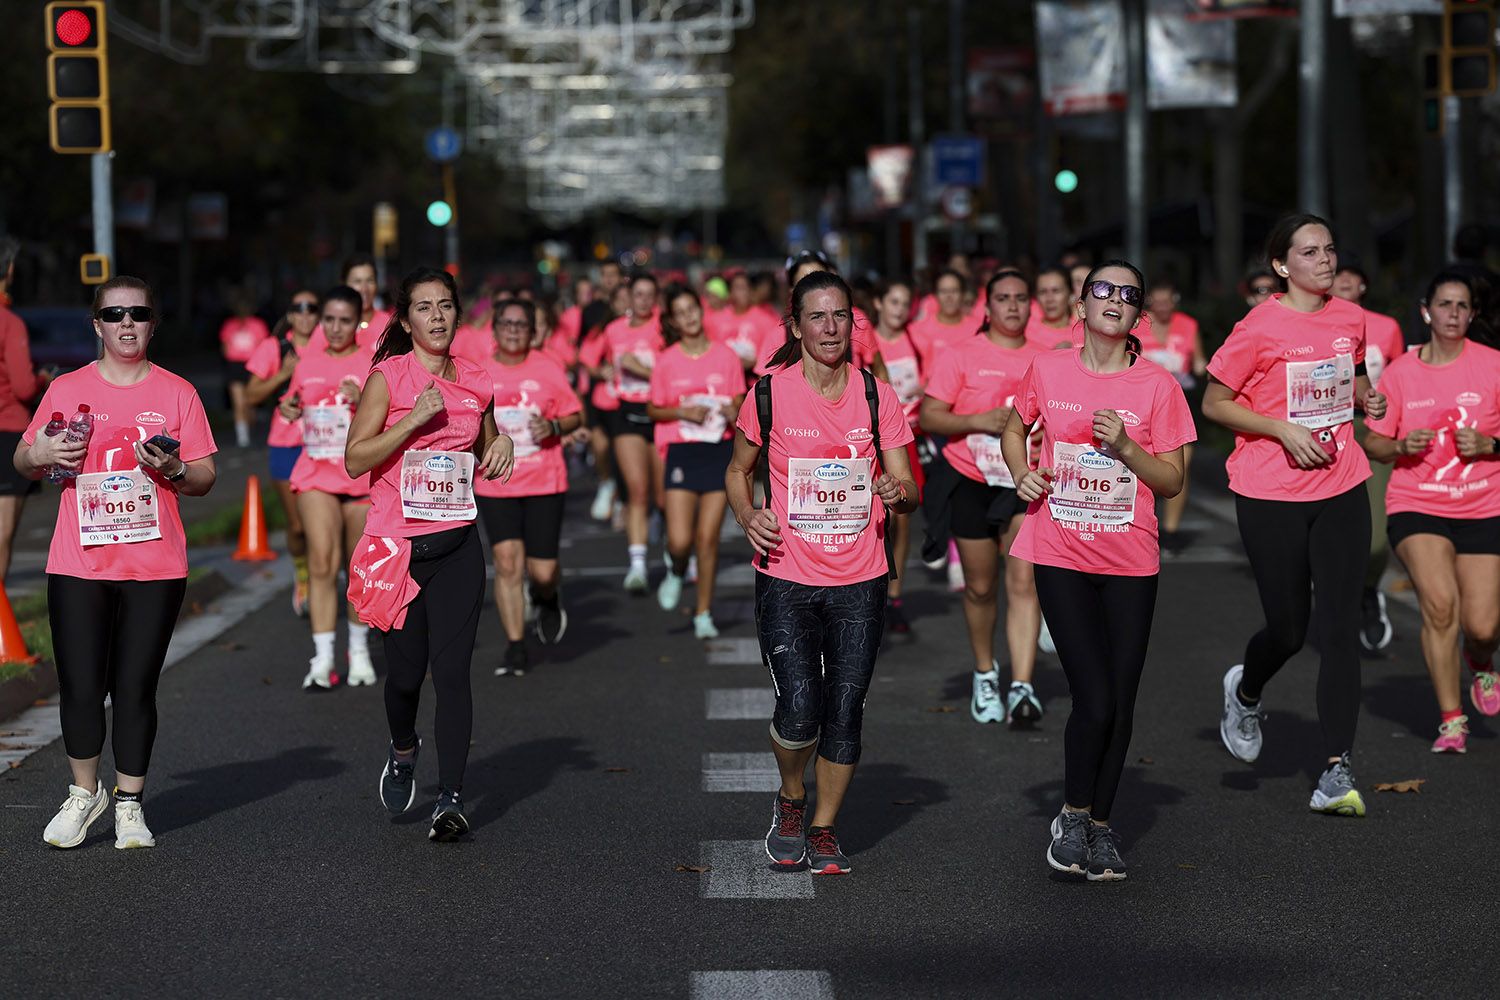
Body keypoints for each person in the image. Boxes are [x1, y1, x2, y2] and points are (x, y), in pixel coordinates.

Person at [1001, 260, 1195, 881]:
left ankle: (1103, 827)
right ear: (1080, 307)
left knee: (1123, 698)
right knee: (1095, 695)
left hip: (1130, 557)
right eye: (1103, 291)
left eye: (1128, 295)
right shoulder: (1049, 367)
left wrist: (1129, 450)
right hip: (1061, 548)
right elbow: (1014, 429)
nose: (1116, 300)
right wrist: (1021, 472)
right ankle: (1074, 814)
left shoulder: (1158, 387)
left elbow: (1172, 480)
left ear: (1138, 315)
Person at [726, 270, 918, 876]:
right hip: (787, 572)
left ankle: (825, 827)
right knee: (800, 706)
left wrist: (897, 489)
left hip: (860, 575)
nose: (830, 328)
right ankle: (791, 797)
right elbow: (738, 471)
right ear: (796, 325)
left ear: (853, 323)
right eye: (817, 317)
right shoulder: (768, 393)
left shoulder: (874, 395)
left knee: (847, 706)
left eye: (840, 316)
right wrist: (747, 515)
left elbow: (908, 488)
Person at [18, 275, 217, 850]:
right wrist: (42, 452)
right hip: (79, 560)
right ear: (97, 324)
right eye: (114, 315)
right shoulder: (66, 390)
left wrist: (176, 472)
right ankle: (85, 795)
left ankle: (129, 803)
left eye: (138, 313)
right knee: (80, 686)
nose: (126, 324)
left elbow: (205, 474)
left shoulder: (178, 393)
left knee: (135, 687)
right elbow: (25, 456)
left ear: (154, 323)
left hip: (155, 564)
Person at [1202, 214, 1388, 818]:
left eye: (1330, 249)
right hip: (1269, 490)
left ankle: (1337, 770)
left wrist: (1366, 397)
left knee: (1337, 631)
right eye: (1310, 252)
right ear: (1282, 266)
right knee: (1287, 628)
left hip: (1341, 484)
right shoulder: (1258, 326)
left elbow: (1349, 377)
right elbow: (1215, 403)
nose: (1326, 261)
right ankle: (1246, 690)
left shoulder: (1349, 317)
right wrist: (1280, 428)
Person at [344, 266, 514, 841]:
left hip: (459, 546)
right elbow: (355, 459)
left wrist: (502, 442)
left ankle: (452, 798)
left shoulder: (476, 379)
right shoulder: (388, 379)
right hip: (398, 549)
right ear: (406, 319)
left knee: (454, 674)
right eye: (424, 308)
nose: (437, 317)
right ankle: (402, 748)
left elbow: (486, 437)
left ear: (457, 313)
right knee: (404, 680)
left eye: (445, 306)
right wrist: (413, 420)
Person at [1362, 272, 1500, 753]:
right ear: (1427, 311)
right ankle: (1451, 719)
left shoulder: (1494, 366)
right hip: (1417, 502)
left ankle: (1480, 661)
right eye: (1445, 304)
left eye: (1463, 306)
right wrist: (1399, 443)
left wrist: (1490, 444)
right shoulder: (1401, 370)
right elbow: (1373, 441)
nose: (1454, 314)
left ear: (1473, 314)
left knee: (1482, 626)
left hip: (1485, 503)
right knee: (1440, 606)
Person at [923, 270, 1045, 727]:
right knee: (980, 586)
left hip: (1023, 483)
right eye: (1003, 299)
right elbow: (932, 417)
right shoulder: (961, 354)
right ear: (987, 308)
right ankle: (984, 672)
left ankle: (1023, 685)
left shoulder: (1047, 359)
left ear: (1030, 306)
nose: (1013, 306)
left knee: (1023, 583)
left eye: (1020, 298)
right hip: (969, 478)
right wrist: (981, 419)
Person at [476, 297, 582, 677]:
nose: (514, 331)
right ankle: (516, 646)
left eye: (522, 325)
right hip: (495, 482)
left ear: (533, 330)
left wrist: (553, 427)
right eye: (507, 324)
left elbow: (574, 415)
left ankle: (547, 596)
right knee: (506, 564)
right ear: (495, 327)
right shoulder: (479, 372)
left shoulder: (548, 367)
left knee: (542, 571)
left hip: (544, 480)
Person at [279, 286, 376, 690]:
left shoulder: (373, 362)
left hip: (359, 476)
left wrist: (364, 399)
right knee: (321, 561)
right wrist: (288, 408)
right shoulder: (307, 363)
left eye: (345, 320)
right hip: (316, 471)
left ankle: (359, 650)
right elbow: (291, 403)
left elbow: (391, 418)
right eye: (330, 320)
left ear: (358, 323)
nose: (336, 328)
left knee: (356, 568)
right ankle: (321, 659)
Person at [648, 284, 744, 639]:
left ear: (701, 310)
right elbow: (653, 408)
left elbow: (739, 404)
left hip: (718, 451)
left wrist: (732, 411)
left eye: (693, 308)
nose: (689, 316)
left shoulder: (726, 356)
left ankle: (704, 612)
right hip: (681, 452)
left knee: (707, 539)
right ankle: (675, 568)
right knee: (679, 538)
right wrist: (683, 411)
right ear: (672, 320)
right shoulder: (667, 360)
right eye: (680, 312)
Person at [1331, 263, 1407, 652]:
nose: (1343, 279)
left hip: (1373, 429)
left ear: (1364, 284)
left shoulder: (1387, 327)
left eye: (1352, 275)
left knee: (1377, 535)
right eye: (1337, 273)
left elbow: (1399, 382)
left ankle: (1367, 591)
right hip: (1324, 433)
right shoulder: (1312, 323)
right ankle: (1336, 596)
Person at [245, 289, 319, 615]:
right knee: (299, 526)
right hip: (286, 445)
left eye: (312, 308)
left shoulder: (330, 344)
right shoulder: (275, 347)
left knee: (324, 521)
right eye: (298, 308)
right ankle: (303, 573)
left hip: (323, 445)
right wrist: (284, 373)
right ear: (289, 314)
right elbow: (250, 395)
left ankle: (324, 577)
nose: (305, 314)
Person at [595, 272, 664, 592]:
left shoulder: (665, 327)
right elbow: (595, 360)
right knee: (636, 490)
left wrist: (643, 370)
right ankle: (637, 565)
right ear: (629, 297)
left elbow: (674, 372)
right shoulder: (613, 330)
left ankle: (678, 553)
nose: (645, 301)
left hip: (660, 414)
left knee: (663, 495)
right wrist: (603, 371)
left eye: (650, 294)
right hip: (626, 412)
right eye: (639, 294)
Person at [870, 277, 924, 634]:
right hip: (873, 439)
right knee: (879, 517)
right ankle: (868, 588)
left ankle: (895, 595)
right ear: (878, 304)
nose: (899, 310)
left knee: (901, 516)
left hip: (911, 437)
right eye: (893, 302)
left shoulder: (916, 340)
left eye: (905, 304)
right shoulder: (865, 342)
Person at [1141, 281, 1207, 554]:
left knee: (1180, 466)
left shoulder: (1188, 324)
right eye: (1158, 301)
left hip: (1180, 400)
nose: (1163, 307)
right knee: (1146, 465)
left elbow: (1200, 362)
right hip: (1144, 402)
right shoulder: (1139, 324)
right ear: (1150, 303)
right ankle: (1146, 522)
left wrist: (1205, 367)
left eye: (1168, 301)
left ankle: (1170, 531)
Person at [0, 236, 47, 584]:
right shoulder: (9, 323)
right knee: (2, 533)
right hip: (7, 430)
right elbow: (23, 387)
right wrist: (44, 379)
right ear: (10, 270)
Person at [578, 283, 630, 522]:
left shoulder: (652, 327)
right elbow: (587, 359)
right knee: (600, 446)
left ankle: (622, 500)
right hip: (603, 399)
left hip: (631, 402)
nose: (626, 305)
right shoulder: (605, 329)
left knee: (625, 455)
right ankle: (607, 483)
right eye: (621, 300)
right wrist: (601, 371)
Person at [218, 294, 270, 448]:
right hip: (235, 366)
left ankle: (251, 425)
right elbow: (225, 347)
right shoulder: (229, 325)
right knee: (238, 401)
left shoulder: (258, 325)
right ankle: (242, 437)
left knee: (249, 402)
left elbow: (263, 347)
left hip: (252, 366)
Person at [907, 269, 977, 373]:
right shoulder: (916, 330)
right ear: (935, 295)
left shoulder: (978, 329)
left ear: (963, 294)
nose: (949, 297)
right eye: (943, 291)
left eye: (954, 291)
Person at [339, 254, 391, 349]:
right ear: (343, 285)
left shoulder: (390, 326)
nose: (364, 289)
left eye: (370, 281)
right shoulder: (332, 327)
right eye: (357, 281)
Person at [1025, 266, 1077, 351]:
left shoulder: (1084, 333)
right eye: (1042, 292)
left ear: (1071, 293)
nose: (1049, 299)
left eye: (1056, 291)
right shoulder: (1025, 330)